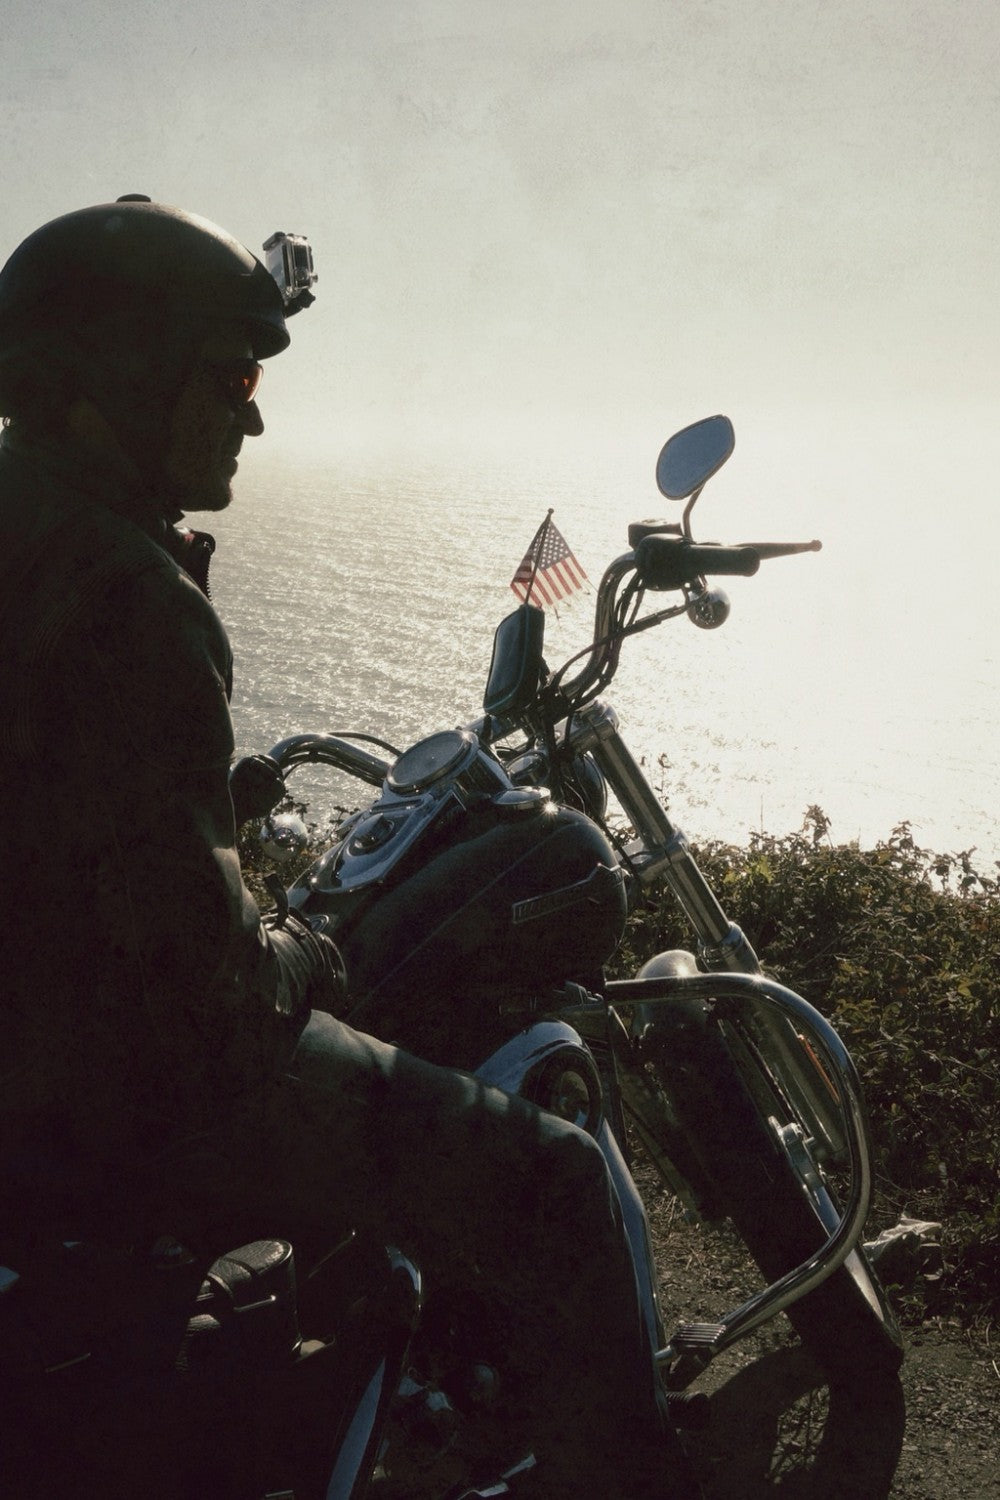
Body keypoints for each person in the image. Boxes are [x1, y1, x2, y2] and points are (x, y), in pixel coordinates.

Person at [0, 197, 693, 1497]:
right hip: (117, 1092)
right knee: (551, 1186)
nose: (253, 417)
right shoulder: (128, 594)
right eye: (231, 379)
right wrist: (299, 946)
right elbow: (205, 991)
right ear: (118, 381)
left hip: (29, 1051)